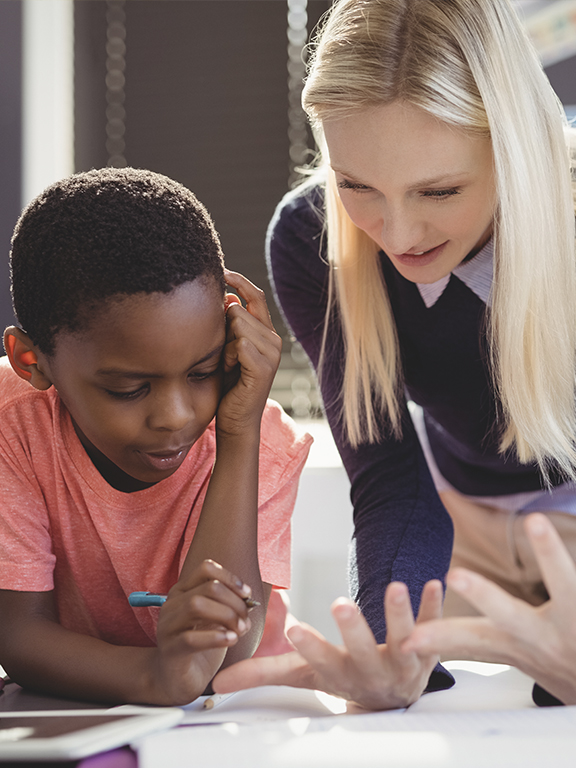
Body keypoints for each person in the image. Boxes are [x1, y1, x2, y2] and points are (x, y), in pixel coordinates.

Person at [215, 0, 576, 709]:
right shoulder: (309, 239)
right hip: (454, 532)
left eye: (438, 190)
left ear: (515, 146)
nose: (399, 233)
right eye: (358, 186)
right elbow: (388, 470)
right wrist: (384, 641)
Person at [0, 167, 312, 705]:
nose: (174, 416)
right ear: (32, 362)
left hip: (236, 713)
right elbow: (20, 635)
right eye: (127, 389)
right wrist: (158, 676)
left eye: (201, 373)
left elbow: (226, 655)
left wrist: (238, 437)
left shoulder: (258, 436)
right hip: (75, 710)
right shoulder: (15, 426)